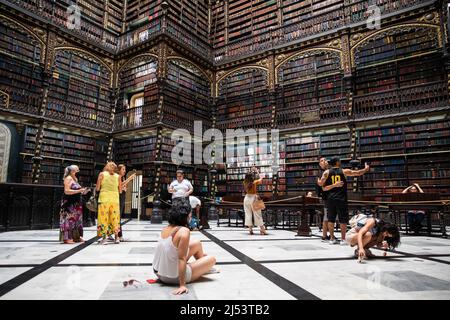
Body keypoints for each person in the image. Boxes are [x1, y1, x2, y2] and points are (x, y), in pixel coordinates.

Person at [152, 203, 217, 295]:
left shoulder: (165, 228)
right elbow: (181, 258)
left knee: (197, 243)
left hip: (159, 273)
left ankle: (202, 266)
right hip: (174, 277)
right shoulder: (184, 231)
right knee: (212, 259)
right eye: (190, 213)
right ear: (185, 216)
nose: (191, 215)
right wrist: (182, 285)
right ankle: (203, 267)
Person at [319, 157, 370, 245]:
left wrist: (332, 185)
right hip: (341, 198)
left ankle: (332, 238)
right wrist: (365, 169)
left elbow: (323, 187)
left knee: (331, 219)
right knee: (343, 219)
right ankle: (343, 239)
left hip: (330, 199)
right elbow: (357, 173)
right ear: (337, 162)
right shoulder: (344, 171)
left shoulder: (326, 172)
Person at [60, 165, 88, 244]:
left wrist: (83, 191)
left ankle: (76, 237)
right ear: (72, 171)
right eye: (76, 170)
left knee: (77, 220)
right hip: (69, 202)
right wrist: (79, 191)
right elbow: (67, 191)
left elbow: (76, 189)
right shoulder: (68, 178)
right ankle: (67, 238)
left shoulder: (75, 178)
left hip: (76, 202)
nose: (78, 171)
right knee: (69, 220)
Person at [96, 162, 122, 245]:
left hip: (104, 199)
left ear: (106, 167)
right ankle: (117, 237)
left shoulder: (102, 174)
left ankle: (104, 239)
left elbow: (97, 188)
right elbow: (120, 190)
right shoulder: (118, 176)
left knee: (103, 218)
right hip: (115, 199)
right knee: (115, 218)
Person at [243, 167, 268, 235]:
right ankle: (262, 229)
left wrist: (251, 171)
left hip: (246, 198)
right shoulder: (254, 182)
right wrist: (257, 171)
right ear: (252, 177)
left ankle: (250, 229)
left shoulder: (244, 182)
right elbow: (261, 179)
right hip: (253, 198)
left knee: (248, 214)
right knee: (258, 214)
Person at [117, 165, 136, 241]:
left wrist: (124, 188)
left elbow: (122, 186)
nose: (124, 171)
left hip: (122, 197)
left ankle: (117, 234)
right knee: (118, 217)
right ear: (119, 170)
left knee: (119, 216)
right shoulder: (118, 176)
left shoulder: (122, 177)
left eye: (125, 169)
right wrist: (130, 178)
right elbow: (120, 186)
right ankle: (119, 235)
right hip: (118, 197)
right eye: (123, 169)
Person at [316, 157, 330, 242]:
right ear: (319, 164)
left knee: (330, 217)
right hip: (325, 196)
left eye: (325, 160)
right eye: (321, 161)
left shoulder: (331, 171)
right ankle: (324, 235)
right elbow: (319, 185)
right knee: (326, 217)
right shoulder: (320, 173)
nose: (324, 162)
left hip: (332, 196)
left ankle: (329, 234)